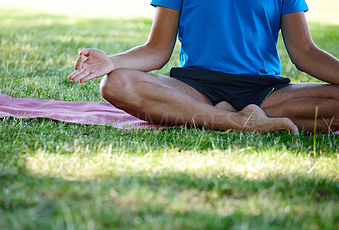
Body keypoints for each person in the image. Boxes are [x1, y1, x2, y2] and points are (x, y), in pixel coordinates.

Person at [68, 0, 339, 134]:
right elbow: (157, 50)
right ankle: (240, 121)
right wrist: (113, 62)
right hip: (196, 88)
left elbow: (305, 53)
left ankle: (214, 116)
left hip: (263, 91)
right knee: (116, 83)